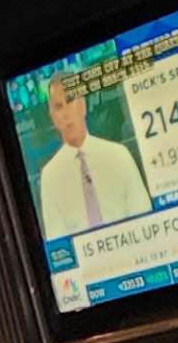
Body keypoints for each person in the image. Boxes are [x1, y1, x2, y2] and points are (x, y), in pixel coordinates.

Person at [32, 79, 153, 240]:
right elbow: (58, 243)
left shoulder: (119, 155)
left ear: (82, 105)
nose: (66, 113)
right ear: (52, 117)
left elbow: (145, 219)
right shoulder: (50, 176)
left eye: (70, 101)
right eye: (59, 107)